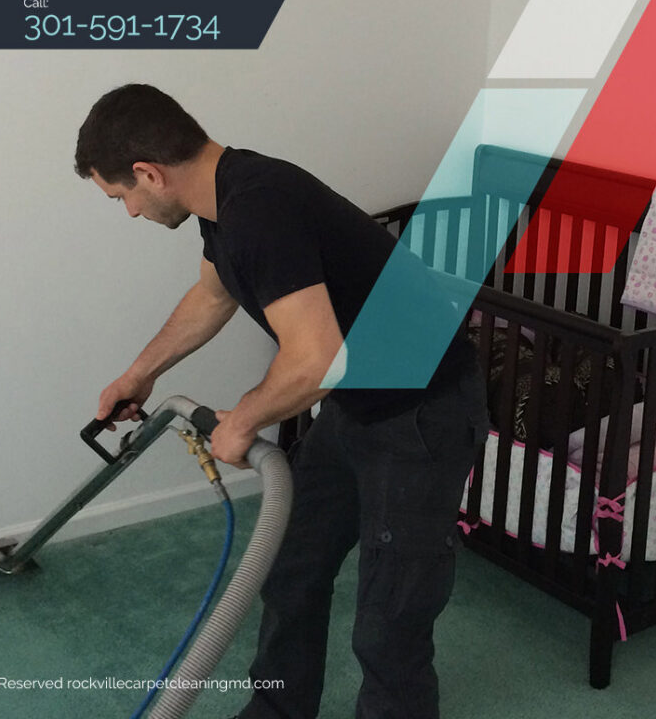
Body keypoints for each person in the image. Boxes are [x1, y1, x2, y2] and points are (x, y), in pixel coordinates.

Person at [75, 83, 489, 719]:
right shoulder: (226, 200)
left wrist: (241, 421)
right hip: (358, 406)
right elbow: (213, 296)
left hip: (422, 413)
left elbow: (319, 360)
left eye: (122, 196)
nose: (129, 211)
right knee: (291, 567)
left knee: (390, 621)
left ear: (148, 173)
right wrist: (141, 373)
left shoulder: (258, 208)